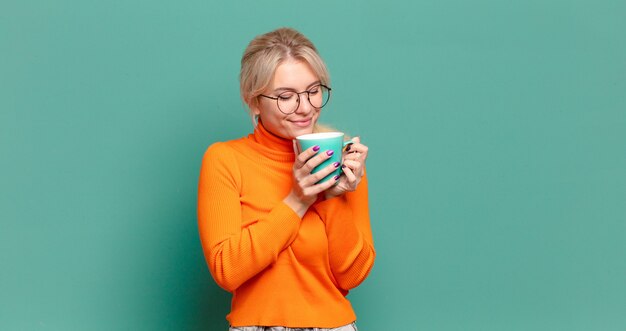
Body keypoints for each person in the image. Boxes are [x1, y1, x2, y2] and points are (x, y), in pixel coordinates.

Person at [197, 27, 375, 331]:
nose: (305, 108)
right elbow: (227, 270)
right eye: (285, 97)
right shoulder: (225, 160)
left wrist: (331, 195)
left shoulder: (345, 160)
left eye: (313, 90)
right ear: (253, 101)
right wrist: (298, 199)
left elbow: (353, 275)